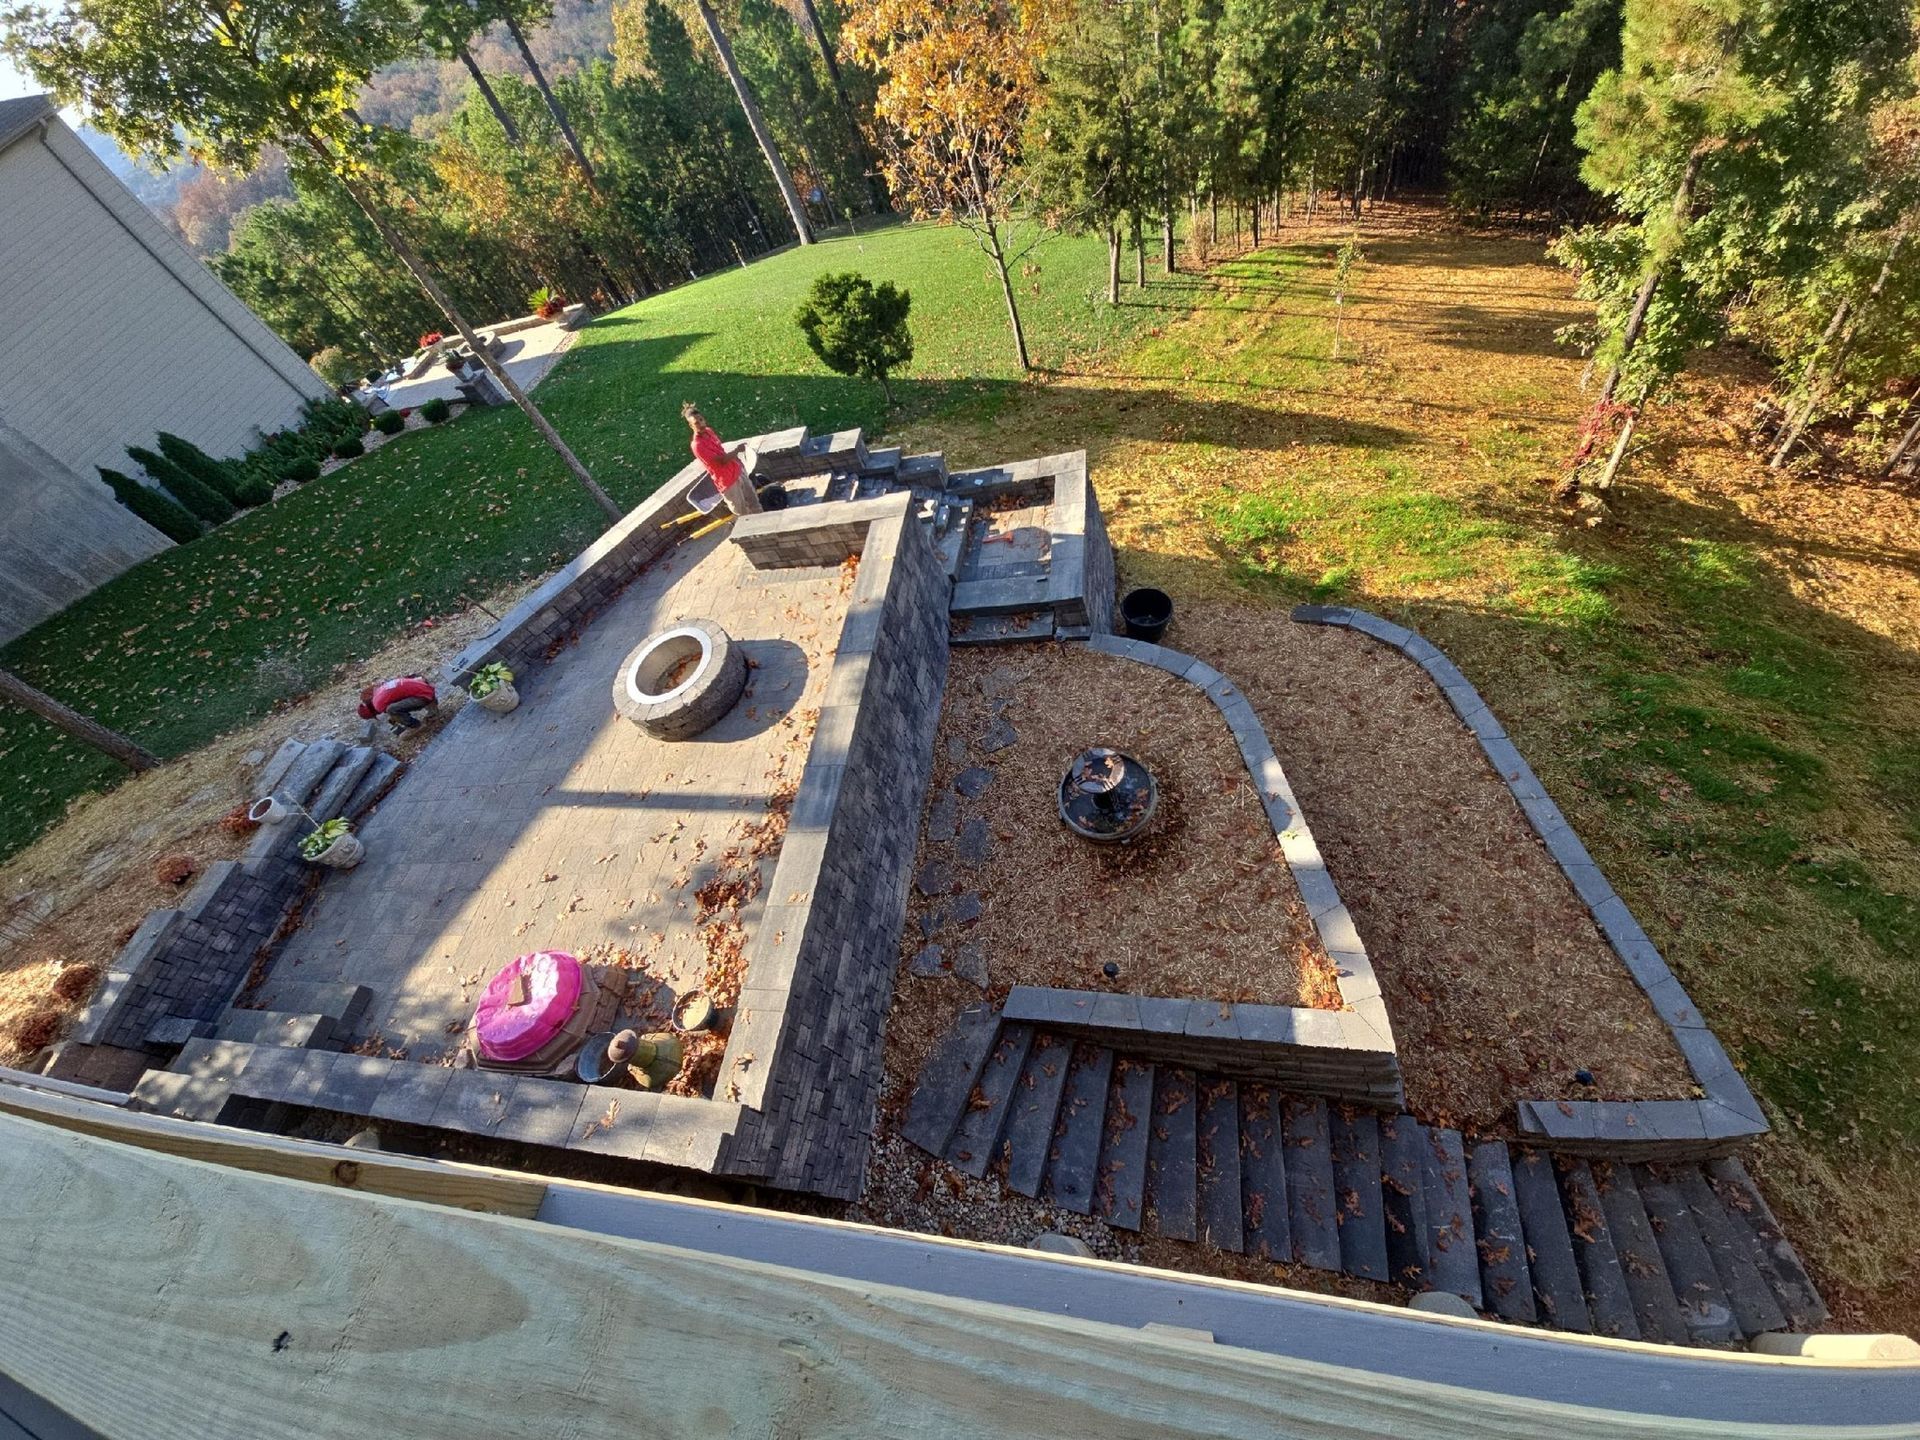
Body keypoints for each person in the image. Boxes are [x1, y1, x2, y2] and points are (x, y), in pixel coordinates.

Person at [683, 402, 761, 516]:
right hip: (727, 482)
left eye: (701, 420)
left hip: (737, 471)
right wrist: (737, 451)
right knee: (743, 514)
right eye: (696, 423)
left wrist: (738, 463)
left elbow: (721, 450)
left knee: (754, 503)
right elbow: (721, 461)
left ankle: (764, 522)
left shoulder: (709, 431)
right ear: (691, 426)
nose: (701, 424)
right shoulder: (697, 445)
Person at [357, 675, 438, 731]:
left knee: (391, 710)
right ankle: (432, 708)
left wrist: (398, 719)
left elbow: (394, 711)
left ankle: (416, 726)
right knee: (395, 707)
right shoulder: (378, 692)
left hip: (423, 696)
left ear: (373, 712)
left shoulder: (378, 706)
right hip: (423, 685)